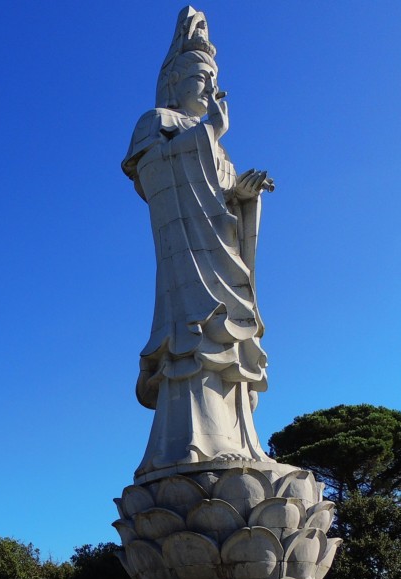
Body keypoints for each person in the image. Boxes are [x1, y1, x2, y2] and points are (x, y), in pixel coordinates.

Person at [122, 8, 274, 476]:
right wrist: (209, 132)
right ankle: (190, 445)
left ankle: (240, 441)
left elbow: (221, 197)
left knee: (228, 339)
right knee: (192, 339)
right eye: (199, 78)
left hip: (219, 255)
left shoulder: (215, 143)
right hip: (186, 259)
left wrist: (242, 197)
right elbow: (152, 174)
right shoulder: (158, 120)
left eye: (212, 80)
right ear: (174, 81)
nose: (208, 90)